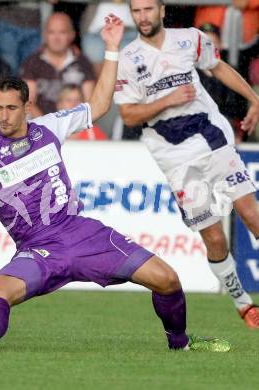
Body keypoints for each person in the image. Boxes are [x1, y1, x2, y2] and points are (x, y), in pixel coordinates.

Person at [0, 15, 229, 353]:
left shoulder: (50, 127)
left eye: (11, 108)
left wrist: (112, 49)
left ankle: (180, 344)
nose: (3, 116)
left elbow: (99, 105)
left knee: (167, 279)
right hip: (38, 248)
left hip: (82, 234)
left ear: (27, 106)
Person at [115, 0, 259, 328]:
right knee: (214, 236)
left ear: (162, 10)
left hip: (212, 138)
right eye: (136, 11)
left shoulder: (190, 38)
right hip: (175, 157)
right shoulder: (127, 59)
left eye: (148, 9)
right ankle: (243, 304)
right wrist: (168, 99)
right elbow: (128, 114)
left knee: (252, 215)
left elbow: (218, 66)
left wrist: (254, 98)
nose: (143, 17)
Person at [20, 12, 96, 118]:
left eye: (62, 32)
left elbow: (90, 104)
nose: (56, 38)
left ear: (72, 35)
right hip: (40, 127)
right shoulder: (32, 62)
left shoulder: (83, 63)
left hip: (74, 127)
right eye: (52, 32)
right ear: (44, 35)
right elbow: (29, 103)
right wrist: (49, 127)